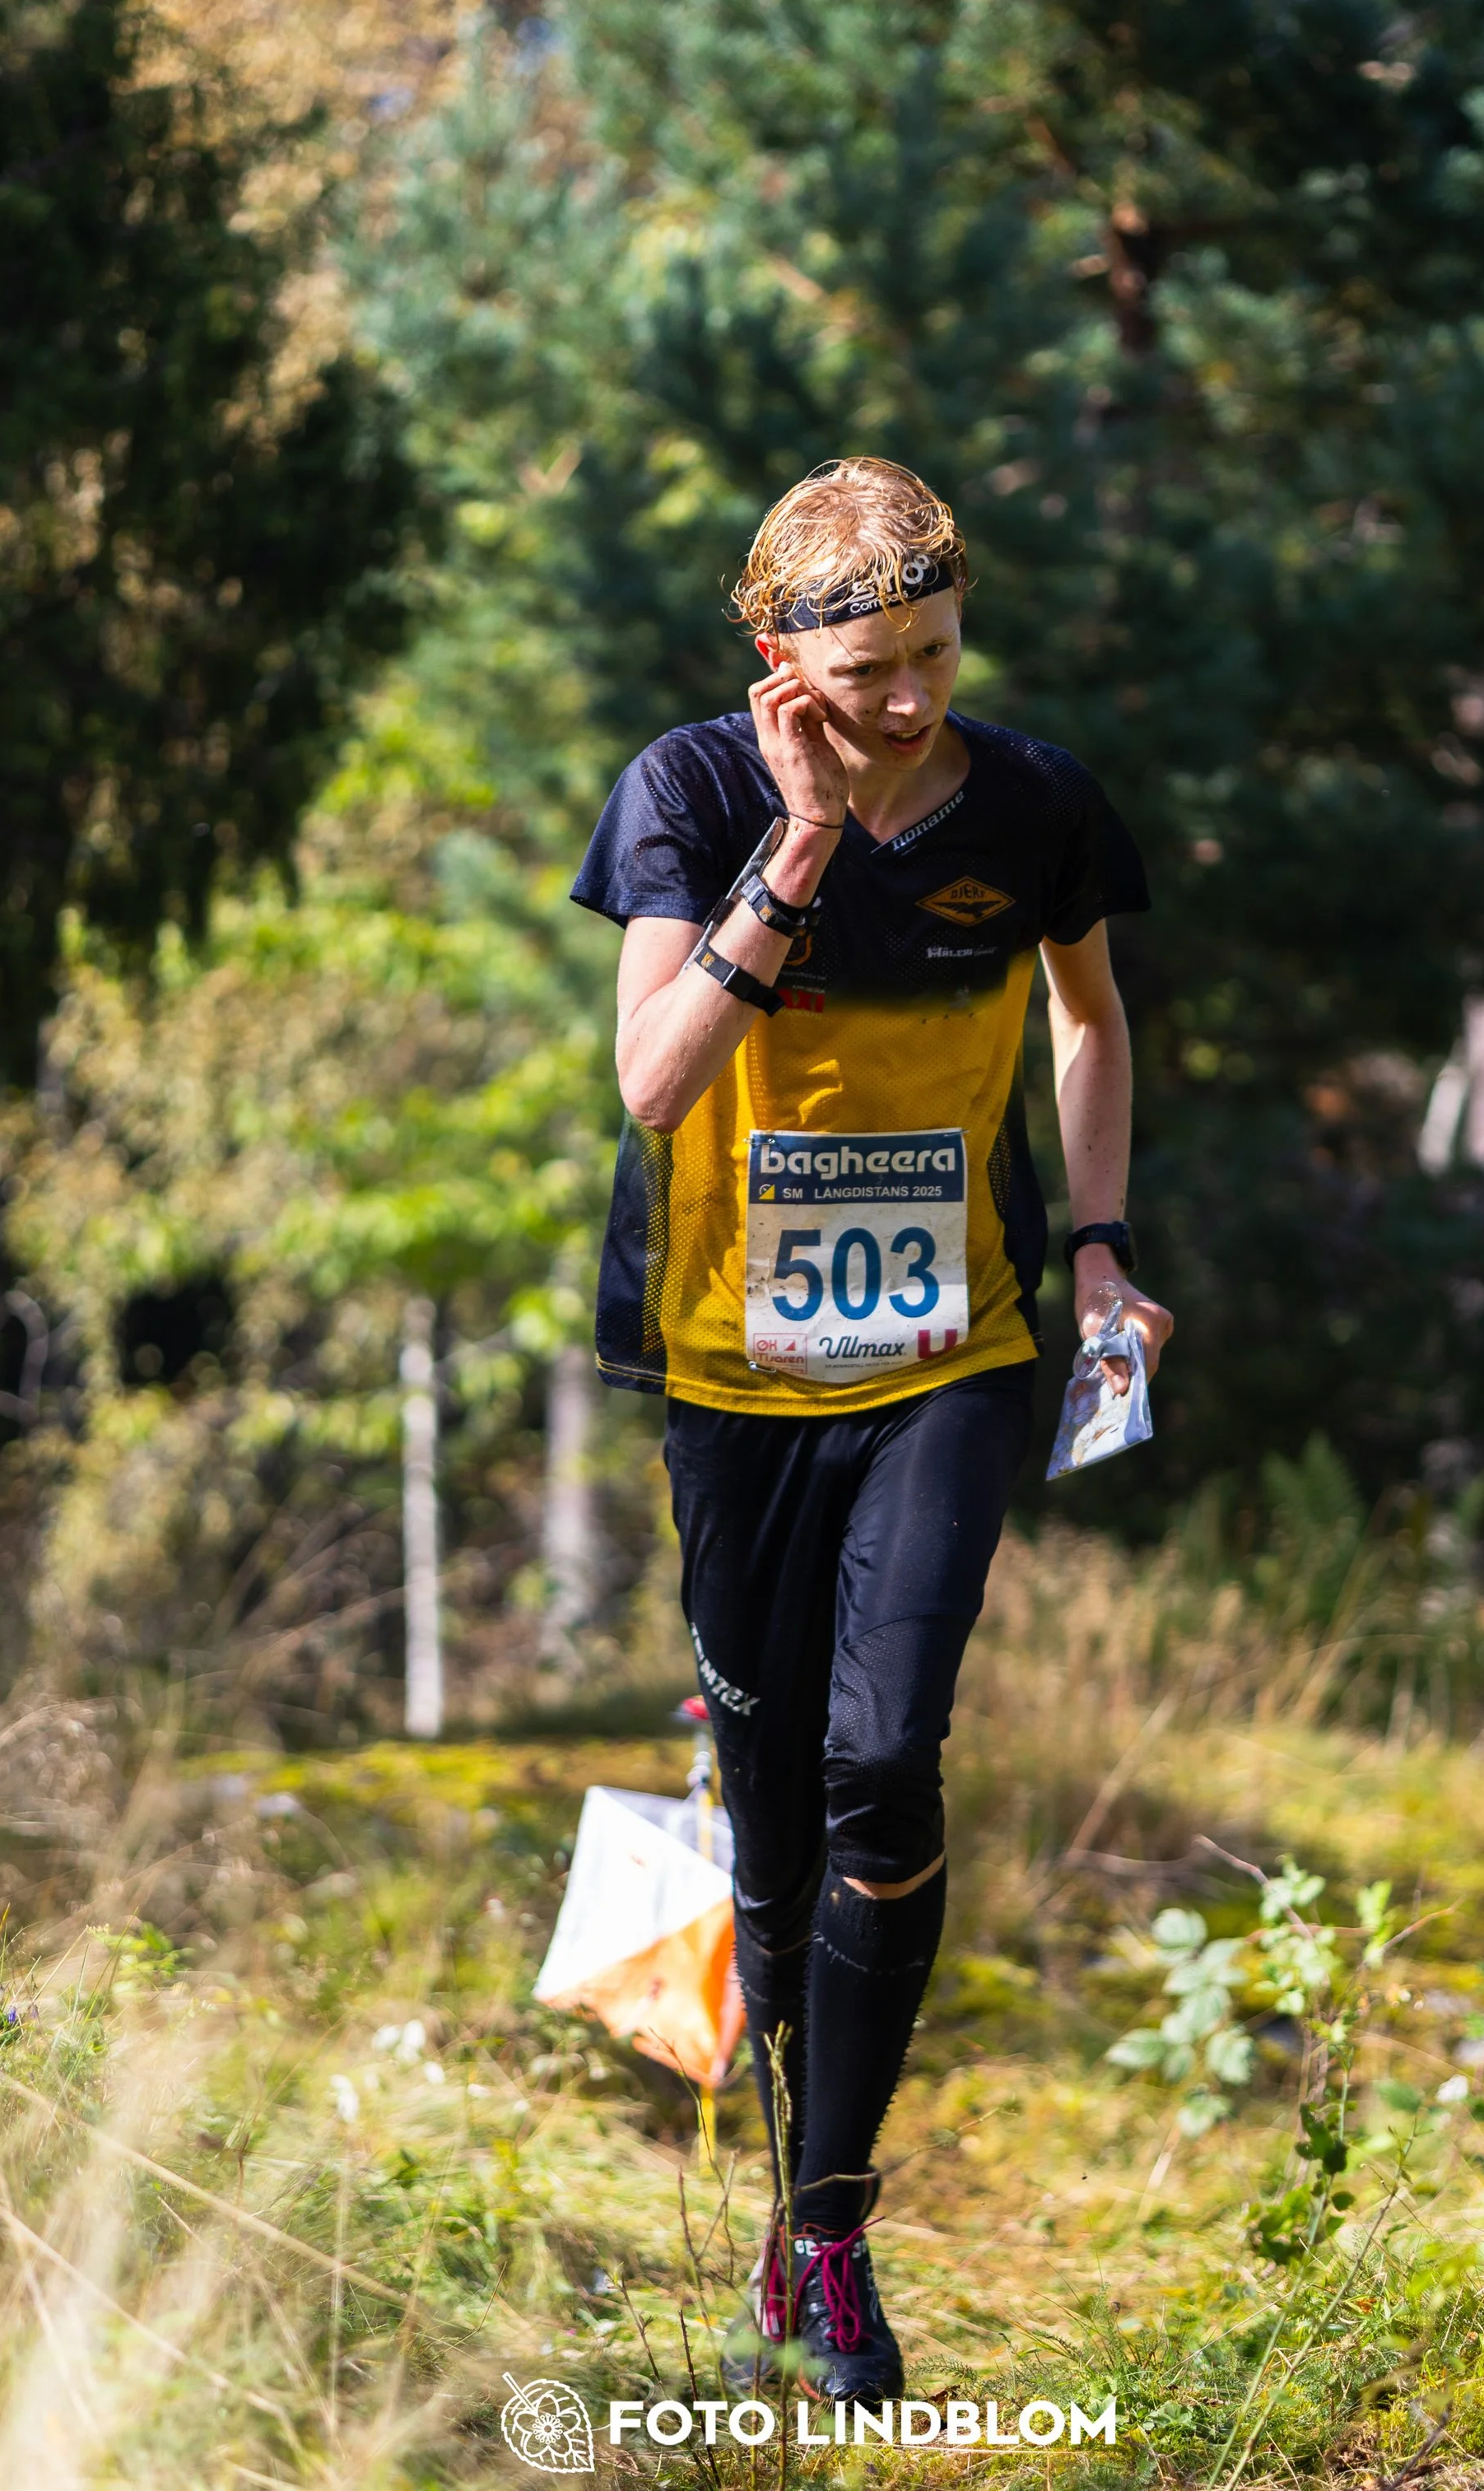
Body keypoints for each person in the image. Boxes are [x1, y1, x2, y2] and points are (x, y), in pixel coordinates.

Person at [570, 456, 1171, 2402]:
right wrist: (804, 849)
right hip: (727, 1368)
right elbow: (655, 1082)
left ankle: (828, 2223)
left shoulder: (1036, 803)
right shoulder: (690, 791)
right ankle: (777, 2178)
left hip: (945, 1352)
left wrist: (1094, 1250)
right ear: (777, 656)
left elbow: (1089, 1018)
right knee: (763, 1833)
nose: (910, 699)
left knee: (883, 1762)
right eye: (867, 666)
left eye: (934, 653)